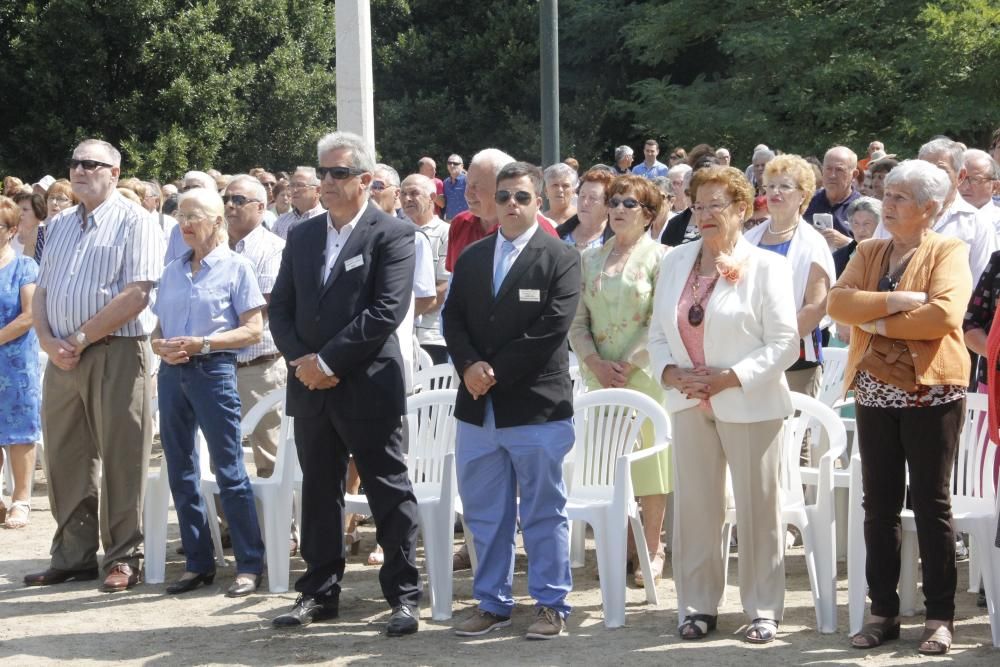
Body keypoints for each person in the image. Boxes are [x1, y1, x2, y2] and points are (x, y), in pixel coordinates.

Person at [268, 131, 423, 636]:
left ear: (365, 180)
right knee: (318, 490)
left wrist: (328, 362)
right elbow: (281, 308)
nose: (325, 182)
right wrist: (301, 362)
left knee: (387, 488)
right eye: (322, 172)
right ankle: (318, 591)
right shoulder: (303, 235)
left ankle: (402, 595)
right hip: (309, 386)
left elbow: (385, 312)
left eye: (337, 173)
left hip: (366, 384)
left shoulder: (393, 235)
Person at [647, 165, 799, 644]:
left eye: (716, 204)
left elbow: (784, 344)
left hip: (748, 401)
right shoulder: (674, 261)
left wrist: (731, 377)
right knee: (695, 509)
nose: (705, 213)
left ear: (740, 208)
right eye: (698, 204)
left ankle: (762, 609)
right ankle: (696, 606)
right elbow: (657, 333)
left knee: (758, 509)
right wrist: (670, 373)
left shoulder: (768, 265)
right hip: (689, 403)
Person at [828, 160, 972, 655]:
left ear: (929, 209)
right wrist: (895, 302)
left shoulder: (949, 249)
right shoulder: (869, 249)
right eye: (886, 194)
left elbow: (943, 315)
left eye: (900, 198)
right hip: (873, 392)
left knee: (931, 505)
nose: (887, 204)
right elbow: (839, 305)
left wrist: (878, 322)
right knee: (879, 505)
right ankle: (882, 612)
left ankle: (940, 616)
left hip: (932, 394)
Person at [444, 161, 580, 639]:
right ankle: (492, 602)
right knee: (484, 514)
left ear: (538, 201)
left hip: (536, 408)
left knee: (543, 511)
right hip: (478, 410)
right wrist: (468, 366)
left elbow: (551, 330)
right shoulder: (474, 257)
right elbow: (453, 321)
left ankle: (550, 603)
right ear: (492, 202)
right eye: (504, 197)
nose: (512, 205)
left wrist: (493, 371)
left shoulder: (560, 256)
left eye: (522, 197)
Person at [25, 139, 163, 592]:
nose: (80, 170)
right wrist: (47, 340)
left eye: (92, 164)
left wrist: (81, 338)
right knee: (66, 456)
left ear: (115, 173)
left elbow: (137, 293)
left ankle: (124, 555)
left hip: (116, 351)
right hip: (61, 355)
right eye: (75, 163)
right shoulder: (60, 223)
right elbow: (43, 290)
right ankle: (73, 555)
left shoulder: (136, 221)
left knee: (122, 455)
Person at [152, 187, 267, 597]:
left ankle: (250, 564)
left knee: (228, 470)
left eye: (193, 216)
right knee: (180, 470)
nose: (184, 224)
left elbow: (254, 329)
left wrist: (205, 344)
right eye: (180, 215)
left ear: (217, 221)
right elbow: (158, 328)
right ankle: (198, 563)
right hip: (172, 374)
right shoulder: (171, 271)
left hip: (212, 371)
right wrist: (158, 345)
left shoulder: (236, 268)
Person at [567, 175, 671, 586]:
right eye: (614, 202)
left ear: (648, 214)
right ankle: (622, 545)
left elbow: (659, 320)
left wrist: (626, 363)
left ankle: (653, 546)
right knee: (609, 465)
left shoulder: (663, 257)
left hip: (642, 373)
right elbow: (577, 322)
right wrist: (595, 362)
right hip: (599, 376)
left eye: (629, 203)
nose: (618, 209)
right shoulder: (588, 258)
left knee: (649, 464)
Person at [744, 155, 835, 402]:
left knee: (794, 435)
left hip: (796, 357)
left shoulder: (812, 244)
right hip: (748, 354)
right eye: (771, 186)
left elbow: (815, 307)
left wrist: (773, 346)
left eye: (785, 186)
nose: (775, 192)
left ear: (803, 195)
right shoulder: (749, 238)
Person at [223, 176, 287, 480]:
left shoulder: (272, 249)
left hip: (258, 368)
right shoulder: (214, 246)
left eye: (238, 200)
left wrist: (208, 325)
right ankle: (227, 527)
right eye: (226, 199)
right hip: (217, 364)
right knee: (220, 453)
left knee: (271, 456)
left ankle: (280, 527)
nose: (229, 206)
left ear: (261, 207)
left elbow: (262, 305)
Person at [874, 138, 997, 285]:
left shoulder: (978, 224)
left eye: (940, 170)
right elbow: (870, 271)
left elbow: (981, 286)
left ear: (961, 176)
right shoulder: (891, 215)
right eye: (923, 170)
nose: (930, 177)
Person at [445, 148, 558, 273]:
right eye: (467, 184)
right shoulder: (460, 224)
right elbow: (453, 279)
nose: (467, 194)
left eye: (475, 186)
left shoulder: (539, 230)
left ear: (501, 188)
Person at [0, 196, 40, 529]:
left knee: (19, 432)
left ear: (12, 230)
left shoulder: (25, 266)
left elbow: (29, 316)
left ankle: (22, 500)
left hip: (14, 361)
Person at [401, 173, 450, 365]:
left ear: (432, 198)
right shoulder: (394, 232)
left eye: (414, 193)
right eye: (403, 194)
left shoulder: (447, 232)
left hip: (432, 337)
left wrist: (399, 315)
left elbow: (446, 286)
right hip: (401, 335)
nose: (407, 199)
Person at [803, 146, 862, 245]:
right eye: (828, 169)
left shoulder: (863, 208)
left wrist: (846, 242)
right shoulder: (807, 201)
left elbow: (873, 250)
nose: (832, 175)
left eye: (839, 170)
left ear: (854, 175)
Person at [555, 168, 613, 251]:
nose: (584, 202)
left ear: (608, 205)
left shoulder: (617, 241)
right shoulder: (558, 234)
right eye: (582, 196)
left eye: (592, 198)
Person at [272, 167, 325, 240]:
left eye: (300, 185)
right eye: (292, 185)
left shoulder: (329, 222)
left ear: (318, 191)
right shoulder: (282, 221)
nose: (294, 190)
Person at [834, 197, 882, 276]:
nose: (860, 230)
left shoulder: (889, 256)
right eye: (856, 223)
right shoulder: (839, 257)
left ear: (879, 225)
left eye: (867, 224)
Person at [959, 148, 1000, 232]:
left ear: (995, 186)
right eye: (960, 178)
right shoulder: (939, 217)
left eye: (975, 180)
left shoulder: (997, 221)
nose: (964, 187)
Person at [13, 192, 46, 261]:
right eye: (17, 209)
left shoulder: (46, 237)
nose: (20, 213)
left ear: (38, 211)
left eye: (25, 209)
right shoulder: (10, 236)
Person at [443, 154, 469, 221]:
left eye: (455, 163)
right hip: (449, 221)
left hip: (466, 220)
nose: (452, 165)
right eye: (449, 163)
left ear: (462, 166)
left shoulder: (468, 180)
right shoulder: (445, 183)